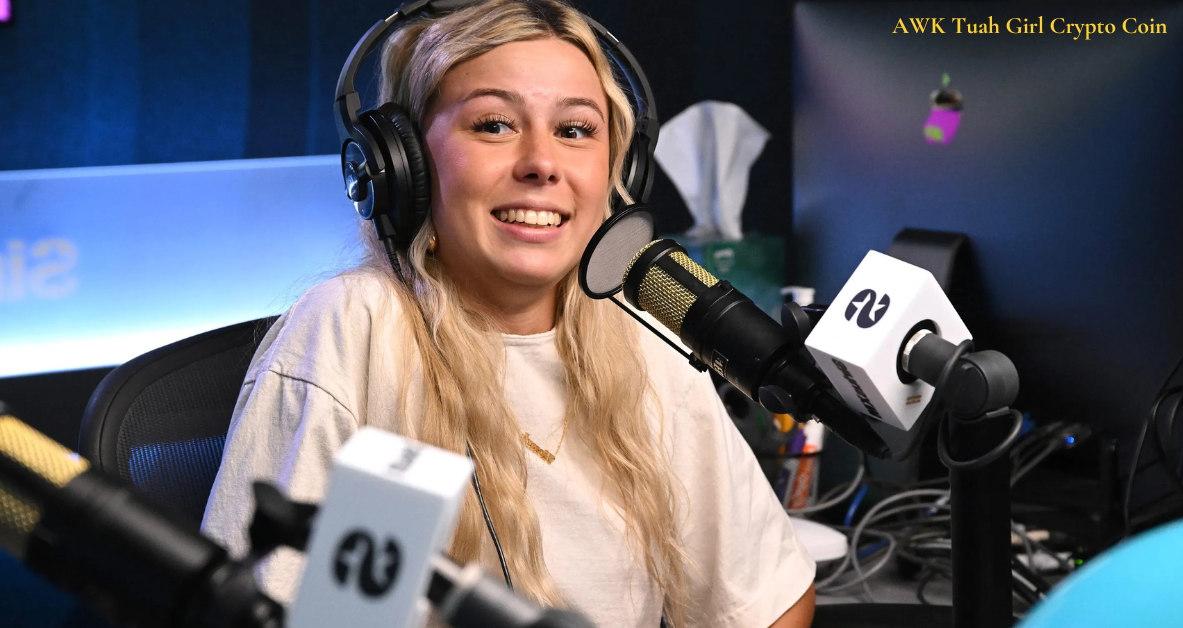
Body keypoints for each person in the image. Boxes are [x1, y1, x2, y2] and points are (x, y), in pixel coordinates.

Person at [201, 1, 816, 626]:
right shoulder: (353, 331)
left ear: (617, 170)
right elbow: (270, 612)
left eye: (575, 131)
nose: (541, 163)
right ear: (402, 165)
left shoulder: (643, 336)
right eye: (494, 125)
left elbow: (767, 600)